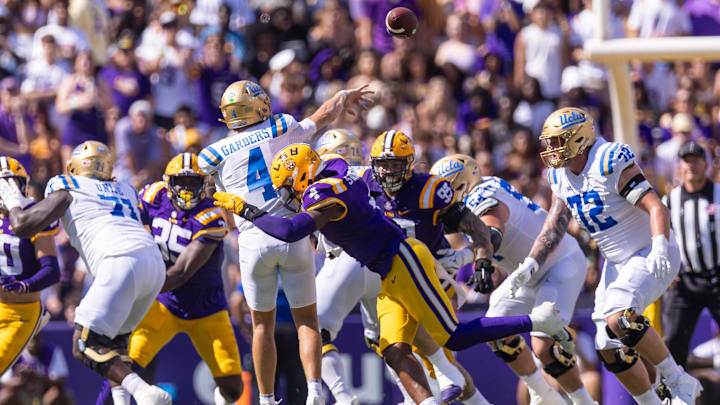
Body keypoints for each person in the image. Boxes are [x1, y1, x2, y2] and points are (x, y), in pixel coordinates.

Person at [213, 143, 570, 405]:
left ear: (304, 177)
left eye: (288, 186)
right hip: (387, 271)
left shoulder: (325, 193)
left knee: (455, 337)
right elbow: (341, 165)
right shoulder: (336, 171)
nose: (286, 195)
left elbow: (291, 231)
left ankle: (539, 320)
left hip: (403, 259)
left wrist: (246, 209)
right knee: (393, 347)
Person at [511, 107, 702, 405]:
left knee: (619, 318)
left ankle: (678, 379)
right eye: (548, 142)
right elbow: (555, 225)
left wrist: (662, 245)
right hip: (616, 264)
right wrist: (532, 262)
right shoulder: (560, 176)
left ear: (578, 139)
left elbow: (656, 207)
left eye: (557, 141)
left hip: (649, 250)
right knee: (607, 345)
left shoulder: (608, 160)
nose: (550, 149)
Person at [198, 80, 372, 405]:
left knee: (261, 325)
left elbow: (200, 188)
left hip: (251, 239)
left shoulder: (213, 153)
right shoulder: (282, 126)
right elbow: (321, 116)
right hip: (293, 231)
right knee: (307, 319)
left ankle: (265, 399)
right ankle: (316, 390)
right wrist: (344, 96)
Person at [312, 130, 489, 405]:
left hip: (409, 269)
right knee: (395, 347)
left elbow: (474, 228)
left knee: (439, 349)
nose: (389, 171)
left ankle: (343, 397)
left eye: (396, 164)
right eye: (384, 164)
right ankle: (426, 389)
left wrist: (475, 258)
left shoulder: (426, 188)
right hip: (398, 271)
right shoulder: (362, 179)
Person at [0, 141, 171, 405]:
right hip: (153, 264)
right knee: (115, 344)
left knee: (84, 345)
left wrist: (14, 202)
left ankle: (143, 391)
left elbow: (22, 225)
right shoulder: (125, 188)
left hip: (119, 261)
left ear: (74, 167)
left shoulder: (66, 187)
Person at [431, 154, 596, 405]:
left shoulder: (481, 195)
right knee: (496, 329)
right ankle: (542, 393)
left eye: (446, 188)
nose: (441, 198)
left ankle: (584, 402)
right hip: (526, 274)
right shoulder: (483, 188)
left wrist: (475, 260)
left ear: (463, 184)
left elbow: (491, 232)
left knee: (543, 347)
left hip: (560, 263)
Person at [96, 153, 242, 405]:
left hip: (205, 307)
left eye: (193, 182)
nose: (186, 189)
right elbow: (123, 220)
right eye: (181, 182)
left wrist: (133, 288)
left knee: (232, 388)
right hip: (164, 303)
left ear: (203, 183)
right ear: (168, 182)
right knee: (123, 367)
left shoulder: (211, 217)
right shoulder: (153, 196)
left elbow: (182, 272)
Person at [662, 141, 720, 369]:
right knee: (673, 341)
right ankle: (674, 399)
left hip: (717, 277)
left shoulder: (718, 194)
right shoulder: (670, 201)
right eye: (687, 160)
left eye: (696, 159)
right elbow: (660, 238)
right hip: (684, 281)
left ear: (706, 164)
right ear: (680, 165)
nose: (691, 165)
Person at [0, 157, 60, 374]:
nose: (6, 190)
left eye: (11, 183)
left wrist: (24, 285)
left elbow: (52, 270)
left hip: (20, 312)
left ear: (23, 185)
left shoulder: (32, 214)